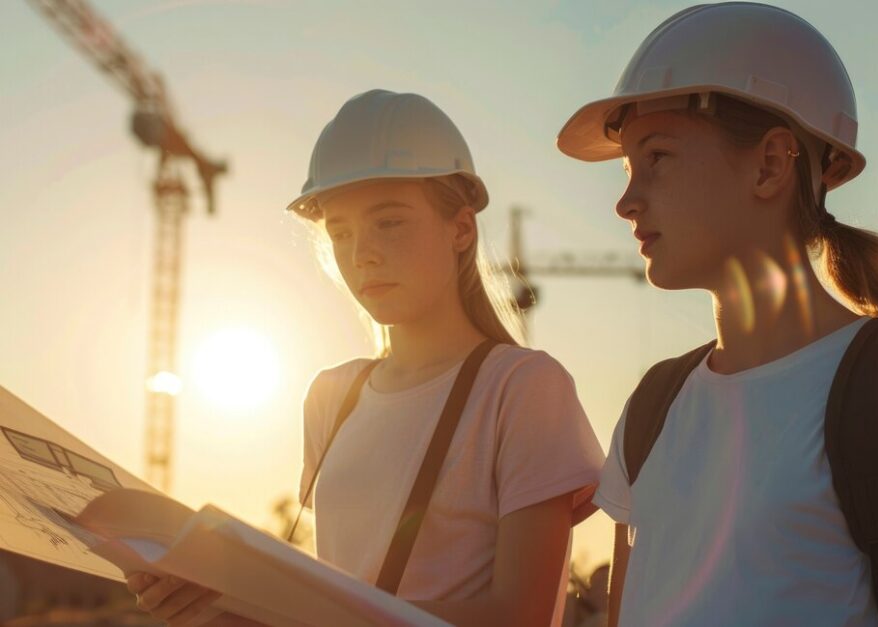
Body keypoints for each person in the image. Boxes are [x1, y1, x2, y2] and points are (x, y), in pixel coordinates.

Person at [556, 3, 878, 626]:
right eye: (627, 168)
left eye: (658, 157)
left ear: (772, 165)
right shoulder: (652, 406)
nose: (625, 201)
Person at [127, 89, 605, 626]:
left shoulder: (522, 387)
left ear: (461, 229)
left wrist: (294, 606)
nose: (362, 254)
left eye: (390, 221)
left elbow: (522, 618)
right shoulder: (331, 396)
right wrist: (217, 601)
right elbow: (337, 594)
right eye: (340, 232)